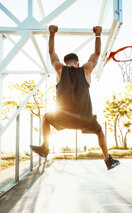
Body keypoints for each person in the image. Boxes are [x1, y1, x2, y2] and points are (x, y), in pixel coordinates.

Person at [30, 25, 120, 170]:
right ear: (78, 63)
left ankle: (45, 147)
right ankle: (108, 160)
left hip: (62, 119)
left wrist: (52, 33)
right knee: (99, 132)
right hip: (85, 120)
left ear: (65, 62)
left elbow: (51, 52)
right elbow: (97, 53)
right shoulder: (86, 69)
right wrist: (98, 34)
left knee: (46, 117)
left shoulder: (59, 69)